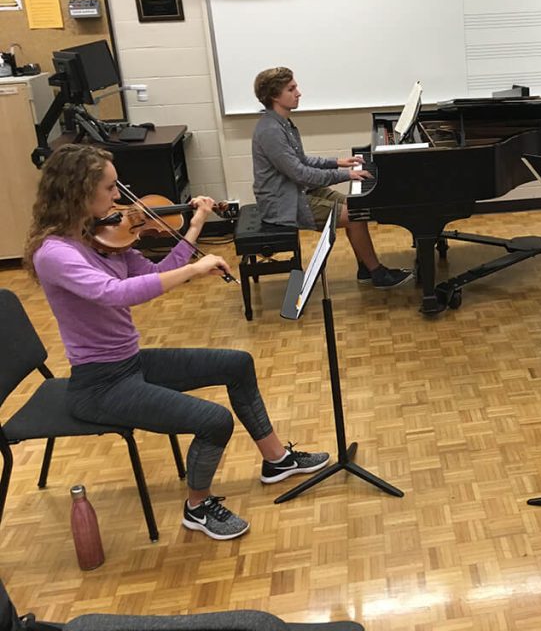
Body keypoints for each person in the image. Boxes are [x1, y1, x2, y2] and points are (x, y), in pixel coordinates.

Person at [24, 144, 331, 541]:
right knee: (213, 421)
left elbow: (156, 272)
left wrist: (196, 225)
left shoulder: (100, 237)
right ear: (78, 191)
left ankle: (276, 460)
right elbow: (115, 294)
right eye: (109, 187)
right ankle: (197, 507)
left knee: (236, 363)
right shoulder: (56, 253)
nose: (118, 196)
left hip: (129, 363)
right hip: (100, 384)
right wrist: (195, 270)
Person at [251, 66, 412, 288]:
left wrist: (337, 162)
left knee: (356, 207)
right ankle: (377, 273)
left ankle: (367, 267)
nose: (298, 93)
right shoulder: (271, 130)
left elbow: (302, 160)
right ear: (274, 96)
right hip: (284, 203)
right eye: (291, 88)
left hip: (298, 192)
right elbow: (301, 173)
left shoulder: (282, 123)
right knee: (356, 213)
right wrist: (345, 175)